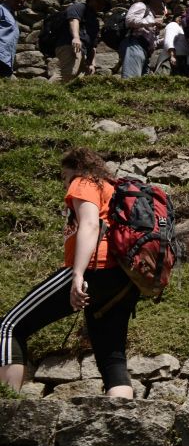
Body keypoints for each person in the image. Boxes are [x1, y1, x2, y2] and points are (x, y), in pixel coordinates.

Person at [0, 148, 141, 396]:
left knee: (10, 327)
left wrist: (77, 274)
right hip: (123, 278)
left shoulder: (84, 182)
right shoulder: (111, 189)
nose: (65, 183)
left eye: (64, 176)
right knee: (112, 357)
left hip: (95, 268)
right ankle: (121, 423)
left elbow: (89, 223)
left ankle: (6, 405)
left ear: (75, 168)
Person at [55, 0, 112, 80]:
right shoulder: (80, 7)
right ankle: (40, 94)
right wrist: (76, 38)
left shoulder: (95, 21)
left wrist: (92, 63)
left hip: (83, 51)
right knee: (68, 73)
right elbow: (73, 20)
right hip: (70, 45)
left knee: (79, 78)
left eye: (103, 4)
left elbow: (93, 45)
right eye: (98, 1)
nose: (100, 5)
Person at [120, 0, 171, 78]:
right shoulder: (141, 6)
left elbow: (153, 42)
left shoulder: (151, 14)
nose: (163, 2)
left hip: (144, 50)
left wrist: (169, 39)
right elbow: (130, 20)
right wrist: (153, 22)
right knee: (131, 79)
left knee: (140, 82)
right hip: (135, 45)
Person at [0, 0, 28, 77]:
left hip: (6, 59)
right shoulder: (1, 9)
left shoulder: (12, 15)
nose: (20, 4)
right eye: (17, 1)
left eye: (22, 3)